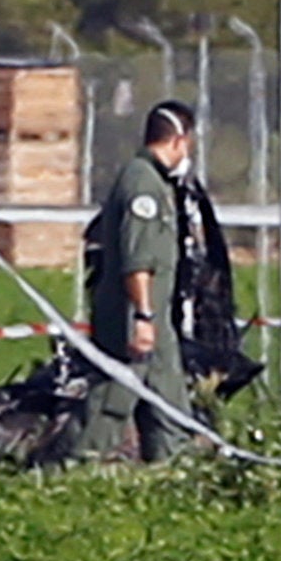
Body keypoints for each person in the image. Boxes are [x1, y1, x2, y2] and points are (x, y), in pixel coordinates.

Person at [78, 101, 196, 462]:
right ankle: (75, 465)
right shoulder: (142, 184)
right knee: (113, 399)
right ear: (178, 140)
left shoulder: (157, 182)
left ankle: (171, 471)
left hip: (155, 318)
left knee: (168, 403)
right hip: (136, 315)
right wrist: (143, 317)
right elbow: (136, 259)